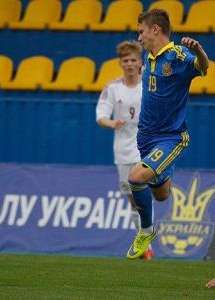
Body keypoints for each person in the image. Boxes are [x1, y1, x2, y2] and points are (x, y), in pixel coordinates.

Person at [126, 8, 209, 260]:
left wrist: (199, 51)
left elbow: (203, 68)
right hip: (145, 136)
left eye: (141, 32)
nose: (138, 38)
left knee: (135, 178)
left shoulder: (177, 55)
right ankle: (163, 166)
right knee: (161, 196)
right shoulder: (149, 58)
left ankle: (146, 230)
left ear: (155, 29)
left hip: (170, 136)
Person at [96, 40, 154, 259]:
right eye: (126, 60)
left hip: (146, 147)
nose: (130, 64)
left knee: (145, 192)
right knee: (133, 199)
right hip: (122, 151)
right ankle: (143, 241)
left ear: (140, 62)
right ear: (120, 63)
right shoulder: (113, 88)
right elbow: (101, 115)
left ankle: (146, 241)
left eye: (133, 60)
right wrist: (110, 123)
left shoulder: (148, 85)